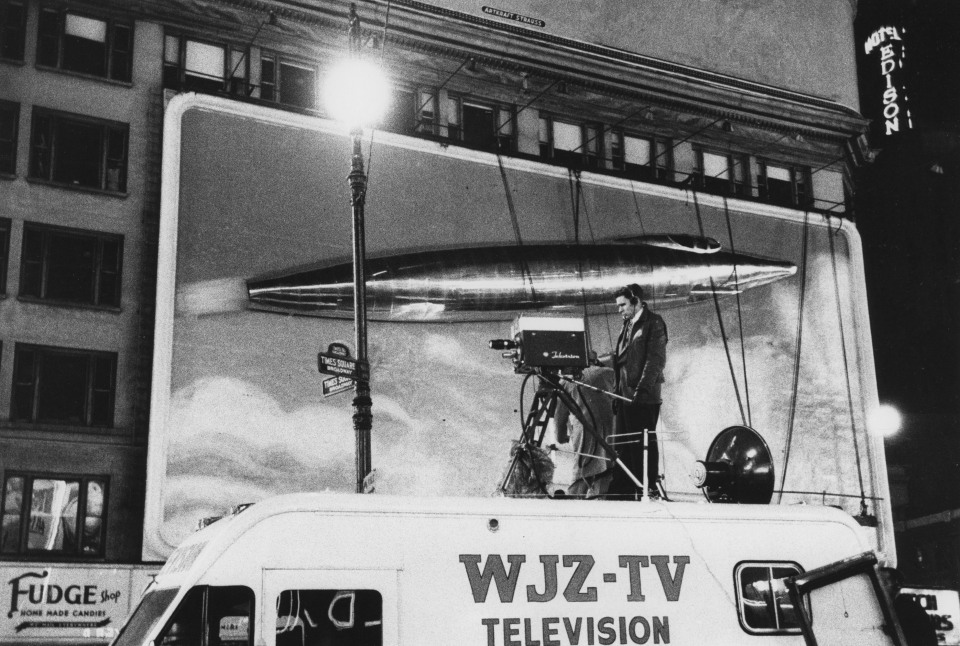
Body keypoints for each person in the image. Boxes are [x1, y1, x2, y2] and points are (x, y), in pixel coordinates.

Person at [604, 284, 668, 499]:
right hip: (624, 394)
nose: (619, 309)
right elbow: (620, 361)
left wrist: (642, 390)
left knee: (642, 444)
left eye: (622, 305)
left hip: (643, 396)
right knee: (624, 445)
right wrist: (616, 392)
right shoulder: (628, 324)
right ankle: (623, 490)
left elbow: (655, 360)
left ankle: (646, 488)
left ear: (636, 301)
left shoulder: (653, 322)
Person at [879, 567, 938, 646]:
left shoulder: (908, 608)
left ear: (896, 585)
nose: (879, 586)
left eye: (884, 582)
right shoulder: (892, 605)